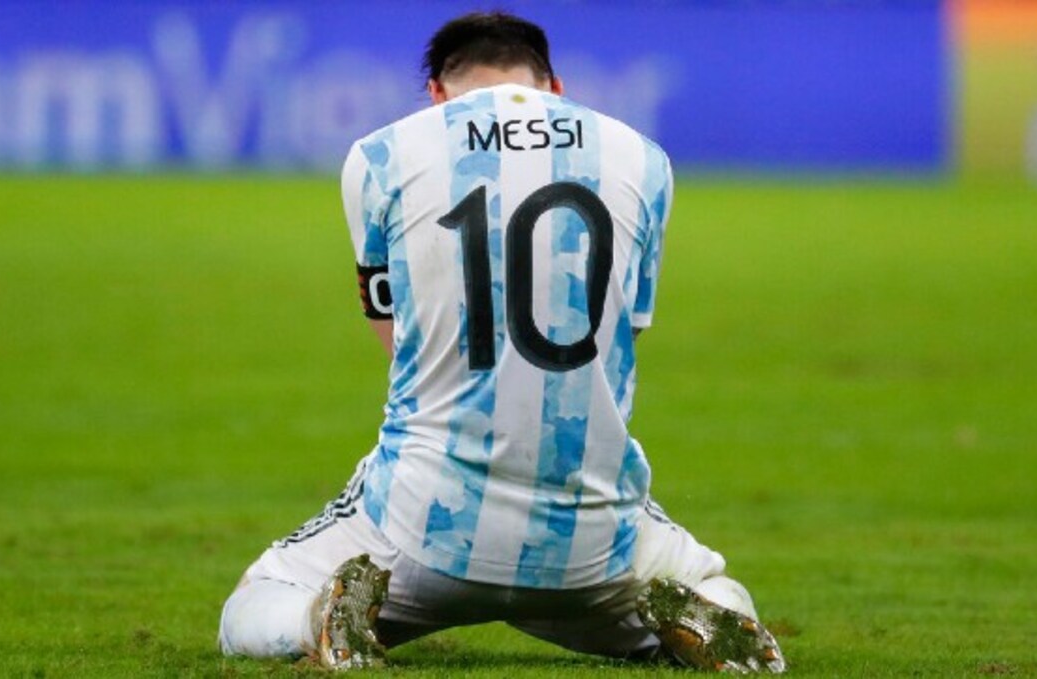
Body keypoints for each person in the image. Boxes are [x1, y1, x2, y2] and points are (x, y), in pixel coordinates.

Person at [218, 11, 786, 674]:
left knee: (253, 600)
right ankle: (709, 621)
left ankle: (319, 616)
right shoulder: (644, 160)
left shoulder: (379, 156)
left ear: (434, 92)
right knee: (709, 579)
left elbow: (399, 347)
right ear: (556, 86)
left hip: (421, 531)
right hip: (592, 539)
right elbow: (621, 341)